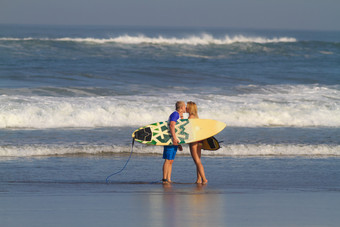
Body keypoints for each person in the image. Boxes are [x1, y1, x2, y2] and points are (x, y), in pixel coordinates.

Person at [162, 101, 186, 184]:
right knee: (168, 160)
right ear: (182, 107)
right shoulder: (175, 114)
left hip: (175, 141)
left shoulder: (179, 115)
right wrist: (174, 139)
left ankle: (169, 179)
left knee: (171, 161)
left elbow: (179, 130)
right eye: (185, 106)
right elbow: (172, 125)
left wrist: (179, 144)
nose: (186, 108)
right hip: (170, 140)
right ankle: (164, 179)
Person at [187, 101, 208, 184]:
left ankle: (204, 179)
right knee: (198, 160)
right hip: (199, 140)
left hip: (194, 140)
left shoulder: (190, 118)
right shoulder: (197, 117)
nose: (185, 108)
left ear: (190, 108)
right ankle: (199, 179)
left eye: (187, 107)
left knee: (197, 161)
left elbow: (188, 130)